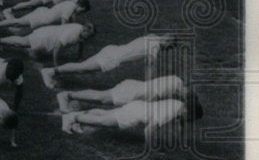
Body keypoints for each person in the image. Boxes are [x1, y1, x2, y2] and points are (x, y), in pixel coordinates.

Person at [40, 33, 177, 90]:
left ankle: (53, 72)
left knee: (81, 67)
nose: (166, 50)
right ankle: (50, 72)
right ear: (167, 40)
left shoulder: (152, 36)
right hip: (112, 58)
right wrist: (149, 86)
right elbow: (150, 65)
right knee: (81, 68)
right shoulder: (156, 46)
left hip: (112, 50)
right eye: (169, 47)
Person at [61, 96, 202, 144]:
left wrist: (182, 136)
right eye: (190, 118)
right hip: (135, 115)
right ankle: (72, 117)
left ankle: (82, 114)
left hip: (137, 106)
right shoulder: (171, 112)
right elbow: (149, 129)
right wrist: (150, 149)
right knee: (104, 122)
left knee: (106, 114)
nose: (189, 120)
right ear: (187, 111)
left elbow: (181, 121)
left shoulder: (178, 104)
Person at [55, 75, 188, 113]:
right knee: (101, 98)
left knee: (102, 99)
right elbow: (156, 97)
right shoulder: (175, 83)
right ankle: (67, 95)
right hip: (132, 92)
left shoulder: (174, 82)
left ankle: (71, 97)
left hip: (134, 89)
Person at [0, 21, 97, 67]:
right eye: (89, 34)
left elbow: (81, 43)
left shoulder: (81, 32)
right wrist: (56, 65)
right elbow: (57, 48)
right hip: (45, 37)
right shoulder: (73, 34)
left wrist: (79, 56)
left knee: (24, 43)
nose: (90, 37)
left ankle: (0, 42)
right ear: (84, 30)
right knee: (23, 43)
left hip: (49, 35)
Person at [0, 0, 90, 38]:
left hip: (42, 14)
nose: (81, 13)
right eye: (83, 11)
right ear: (82, 7)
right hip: (41, 18)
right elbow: (64, 24)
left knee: (19, 26)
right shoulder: (70, 8)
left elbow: (72, 19)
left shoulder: (71, 5)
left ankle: (5, 17)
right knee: (18, 25)